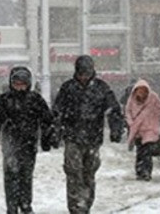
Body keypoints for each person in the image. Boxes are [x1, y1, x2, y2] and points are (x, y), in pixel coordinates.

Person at [51, 55, 124, 214]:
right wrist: (55, 133)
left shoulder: (101, 88)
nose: (83, 77)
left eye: (86, 73)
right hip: (72, 137)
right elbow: (57, 112)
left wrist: (116, 130)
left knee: (89, 173)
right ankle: (76, 206)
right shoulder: (68, 88)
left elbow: (113, 110)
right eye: (81, 73)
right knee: (73, 172)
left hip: (93, 138)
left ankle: (86, 203)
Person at [0, 66, 53, 214]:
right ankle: (11, 207)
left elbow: (46, 119)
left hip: (29, 145)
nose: (19, 87)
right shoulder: (5, 100)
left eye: (22, 84)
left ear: (28, 83)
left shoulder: (35, 99)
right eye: (16, 83)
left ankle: (25, 204)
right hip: (10, 144)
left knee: (26, 176)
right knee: (11, 176)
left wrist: (47, 137)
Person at [124, 79, 160, 181]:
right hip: (137, 130)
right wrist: (131, 123)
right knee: (140, 151)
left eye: (143, 90)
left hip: (149, 129)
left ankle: (146, 172)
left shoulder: (153, 98)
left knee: (147, 151)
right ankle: (139, 171)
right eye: (139, 90)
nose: (141, 92)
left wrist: (154, 117)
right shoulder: (132, 100)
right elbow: (127, 112)